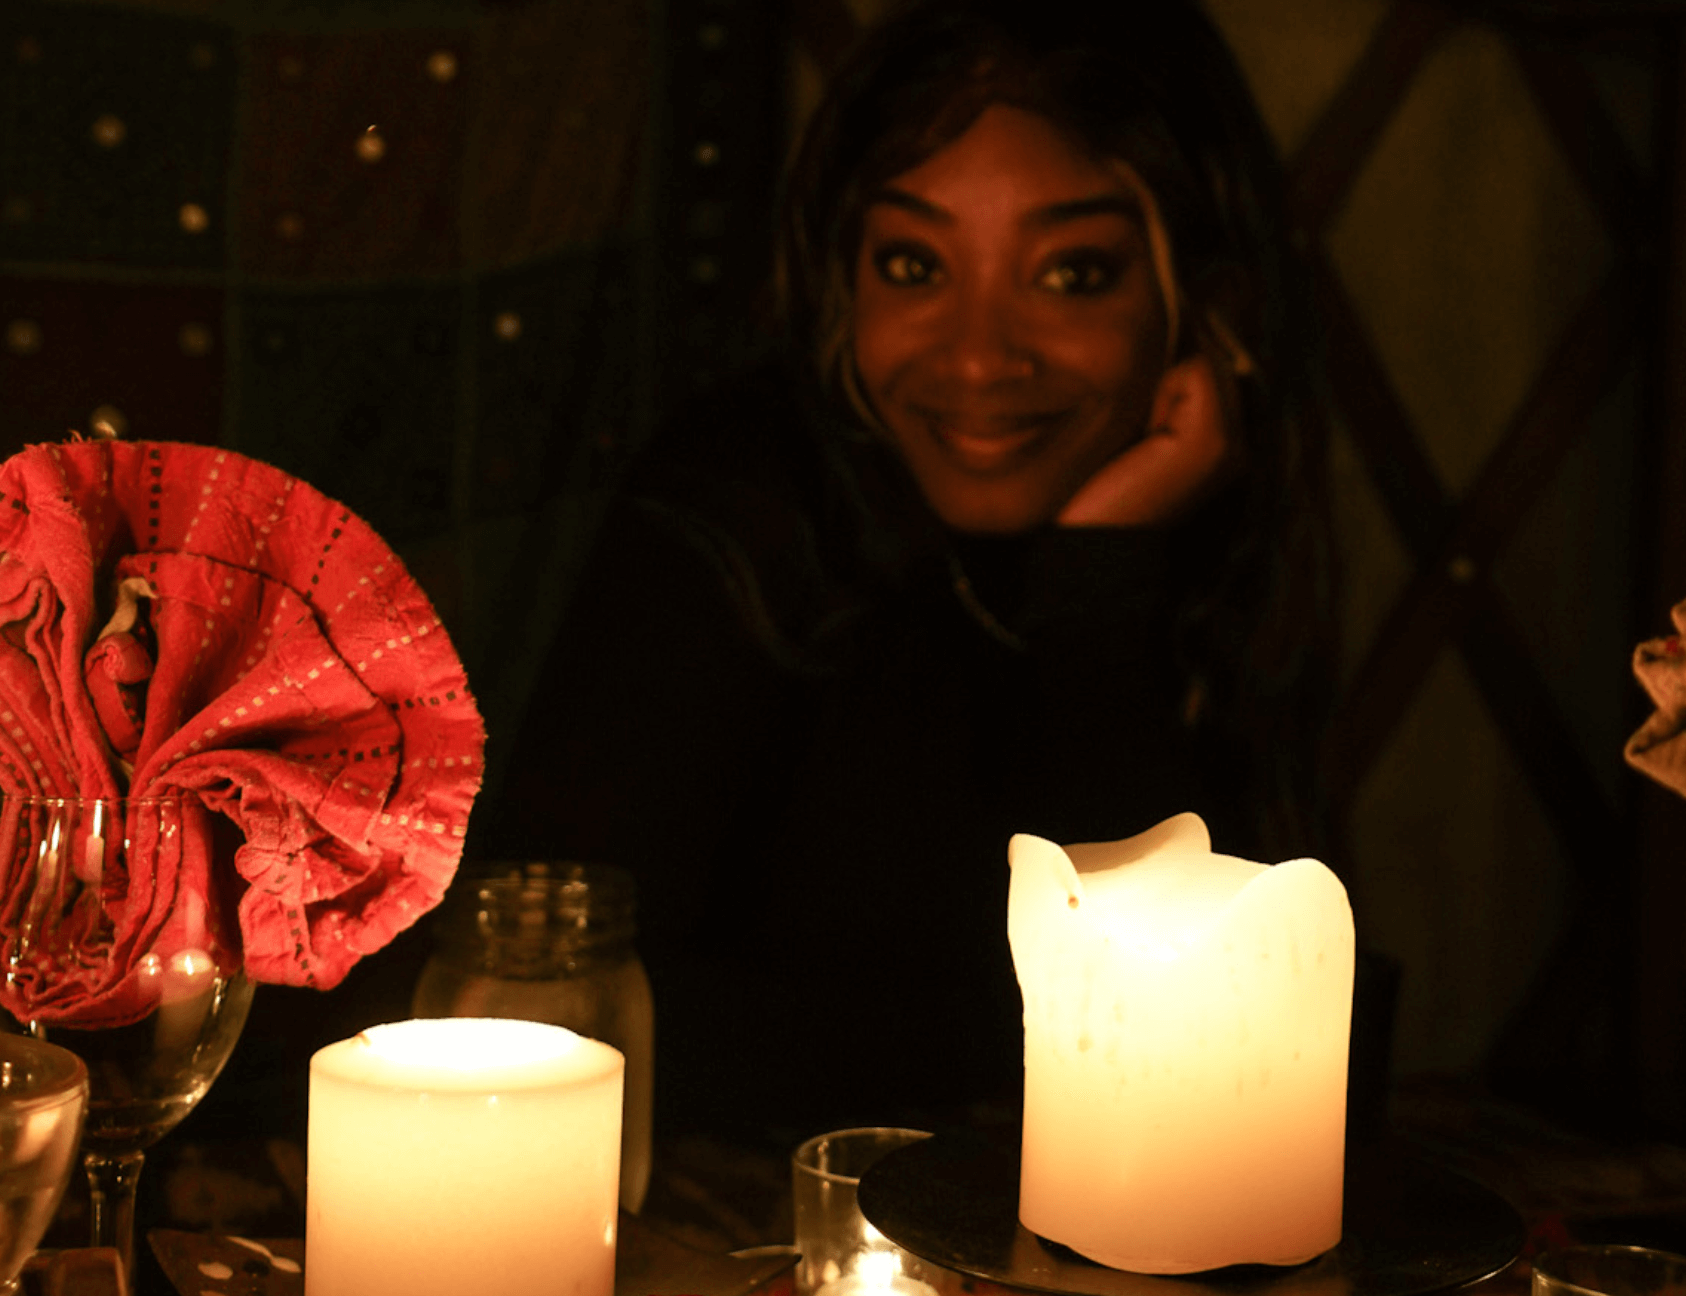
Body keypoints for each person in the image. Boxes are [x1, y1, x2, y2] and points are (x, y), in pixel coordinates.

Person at [478, 0, 1333, 1147]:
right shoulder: (741, 517)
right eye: (915, 264)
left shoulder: (1195, 548)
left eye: (1073, 274)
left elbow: (1187, 1082)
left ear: (1205, 310)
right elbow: (545, 1007)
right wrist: (997, 1037)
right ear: (844, 283)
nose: (980, 355)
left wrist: (1102, 574)